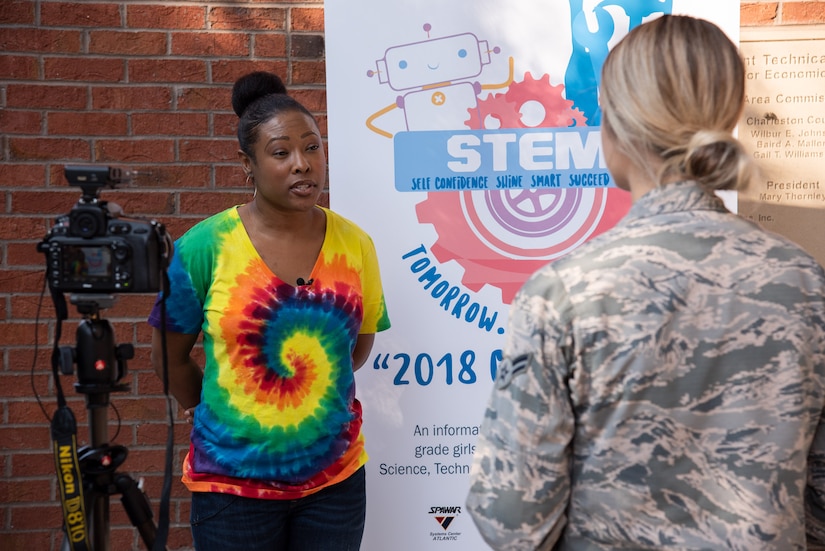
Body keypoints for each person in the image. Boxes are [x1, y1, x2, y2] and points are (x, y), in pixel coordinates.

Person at [466, 15, 825, 550]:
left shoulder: (563, 293)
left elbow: (513, 520)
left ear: (615, 128)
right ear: (727, 119)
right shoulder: (807, 283)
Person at [148, 71, 391, 551]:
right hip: (233, 490)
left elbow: (355, 349)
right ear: (248, 164)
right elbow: (167, 356)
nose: (302, 165)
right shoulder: (203, 247)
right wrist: (221, 413)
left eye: (313, 148)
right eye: (281, 153)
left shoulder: (356, 245)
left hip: (334, 485)